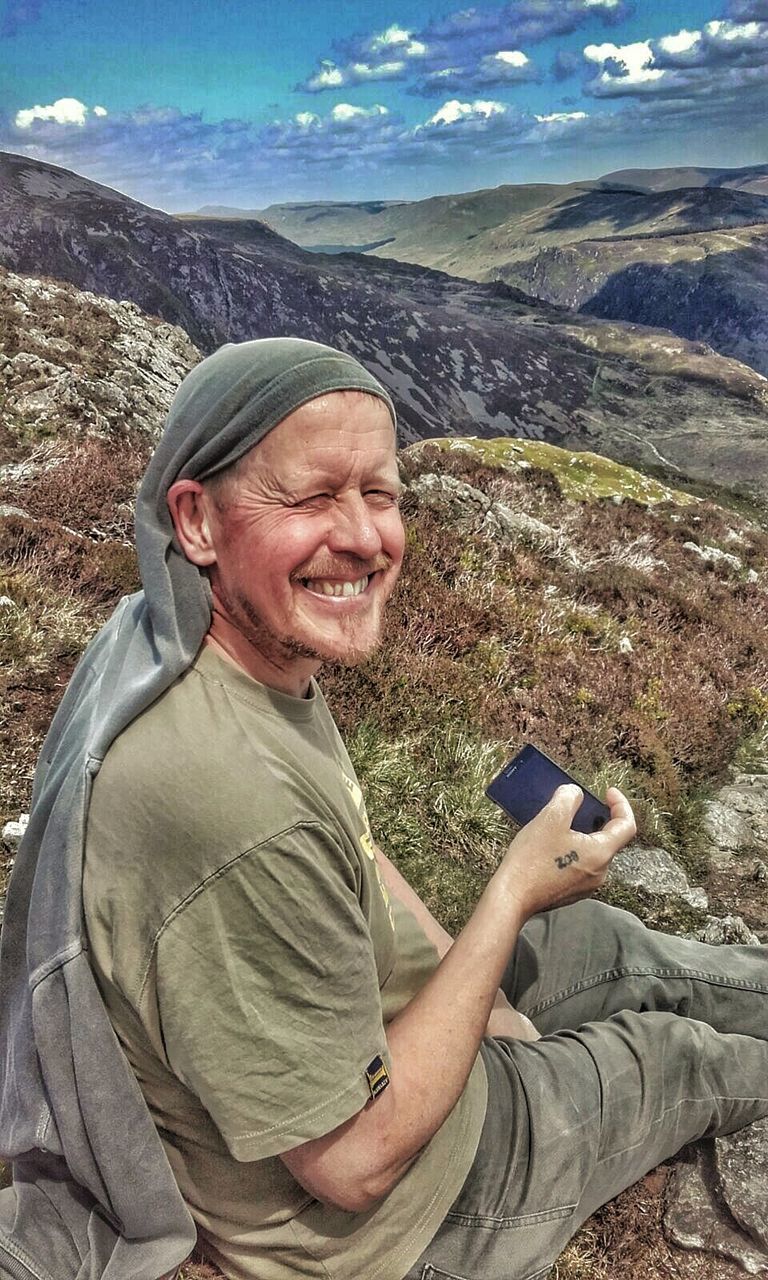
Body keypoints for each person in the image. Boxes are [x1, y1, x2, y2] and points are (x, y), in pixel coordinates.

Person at [0, 337, 766, 1280]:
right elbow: (351, 1163)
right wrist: (509, 900)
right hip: (402, 1211)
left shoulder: (194, 639)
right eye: (313, 496)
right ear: (195, 519)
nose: (364, 536)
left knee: (620, 947)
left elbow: (351, 845)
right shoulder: (227, 804)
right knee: (685, 1057)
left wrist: (470, 985)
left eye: (381, 493)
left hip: (382, 1022)